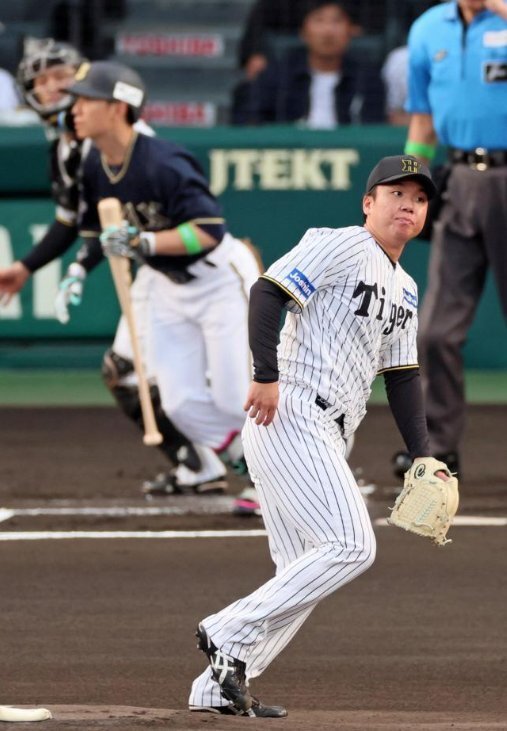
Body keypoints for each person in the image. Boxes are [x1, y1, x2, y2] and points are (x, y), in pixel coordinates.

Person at [189, 155, 455, 716]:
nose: (408, 205)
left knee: (301, 571)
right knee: (352, 546)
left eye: (419, 198)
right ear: (368, 203)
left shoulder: (405, 287)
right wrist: (265, 375)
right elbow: (268, 292)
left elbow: (402, 375)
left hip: (330, 431)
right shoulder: (341, 244)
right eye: (396, 193)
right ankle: (228, 630)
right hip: (290, 412)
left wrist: (423, 455)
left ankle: (216, 688)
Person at [0, 39, 226, 496]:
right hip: (154, 269)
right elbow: (78, 222)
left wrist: (131, 243)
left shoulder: (118, 139)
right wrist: (29, 267)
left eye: (63, 77)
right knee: (123, 371)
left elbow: (195, 223)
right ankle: (198, 465)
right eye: (42, 81)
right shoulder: (66, 148)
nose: (54, 87)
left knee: (226, 387)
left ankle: (288, 458)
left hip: (201, 268)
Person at [65, 60, 261, 501]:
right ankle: (259, 470)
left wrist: (144, 241)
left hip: (219, 281)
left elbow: (208, 231)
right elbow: (98, 230)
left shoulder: (163, 161)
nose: (74, 109)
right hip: (168, 288)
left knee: (236, 396)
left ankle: (306, 459)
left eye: (86, 100)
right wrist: (80, 266)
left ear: (118, 107)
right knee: (179, 403)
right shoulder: (94, 162)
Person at [391, 0, 507, 479]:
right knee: (435, 329)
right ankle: (437, 447)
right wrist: (409, 186)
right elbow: (422, 121)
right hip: (459, 178)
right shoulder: (428, 28)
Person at [232, 0, 385, 127]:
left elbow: (374, 130)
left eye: (337, 21)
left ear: (351, 30)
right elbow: (250, 123)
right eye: (319, 20)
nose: (328, 31)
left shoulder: (368, 79)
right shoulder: (277, 77)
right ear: (303, 32)